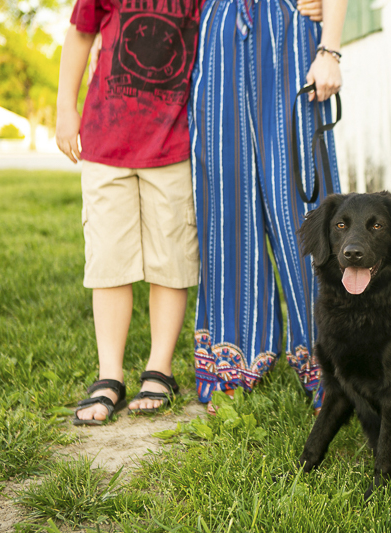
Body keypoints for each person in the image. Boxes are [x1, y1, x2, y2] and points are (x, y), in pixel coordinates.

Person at [56, 0, 325, 425]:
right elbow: (81, 33)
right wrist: (64, 109)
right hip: (106, 142)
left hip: (172, 146)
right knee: (109, 263)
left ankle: (159, 370)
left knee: (171, 262)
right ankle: (109, 375)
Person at [189, 0, 348, 414]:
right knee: (226, 204)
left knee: (301, 200)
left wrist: (329, 50)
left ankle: (331, 363)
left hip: (289, 31)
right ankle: (232, 361)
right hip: (219, 32)